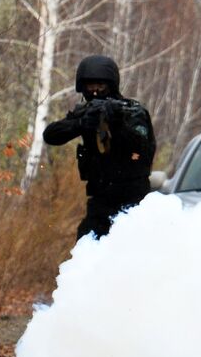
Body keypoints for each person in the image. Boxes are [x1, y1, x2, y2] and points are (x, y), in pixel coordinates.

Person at [43, 55, 156, 239]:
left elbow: (141, 147)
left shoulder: (131, 111)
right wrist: (80, 123)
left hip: (133, 203)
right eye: (90, 86)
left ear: (111, 85)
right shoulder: (87, 113)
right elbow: (51, 135)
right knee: (86, 251)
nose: (95, 91)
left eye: (100, 86)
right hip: (101, 202)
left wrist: (118, 125)